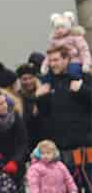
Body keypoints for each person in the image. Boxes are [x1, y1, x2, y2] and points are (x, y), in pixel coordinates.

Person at [37, 46, 92, 192]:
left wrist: (82, 90)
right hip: (61, 147)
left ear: (66, 59)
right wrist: (41, 98)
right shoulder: (49, 83)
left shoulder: (82, 77)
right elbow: (45, 115)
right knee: (67, 186)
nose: (53, 64)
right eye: (50, 61)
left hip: (84, 145)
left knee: (88, 181)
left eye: (56, 60)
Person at [17, 62, 46, 152]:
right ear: (20, 80)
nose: (28, 82)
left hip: (46, 141)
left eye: (31, 78)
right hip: (28, 144)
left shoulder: (44, 93)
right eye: (25, 79)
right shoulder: (18, 98)